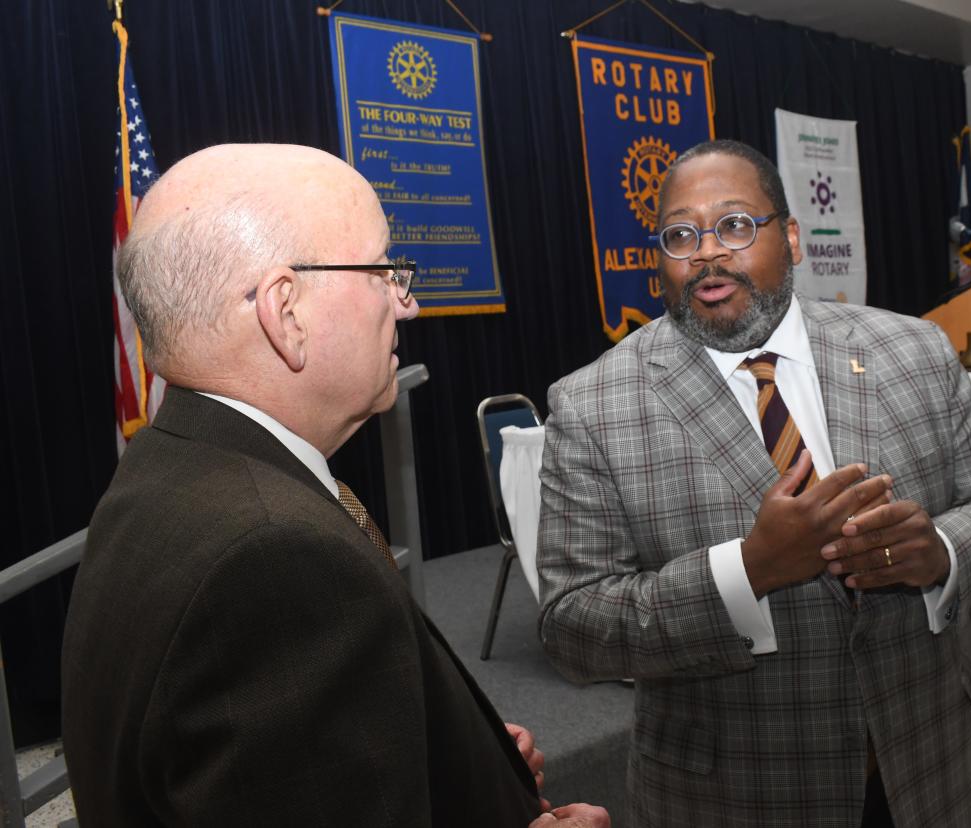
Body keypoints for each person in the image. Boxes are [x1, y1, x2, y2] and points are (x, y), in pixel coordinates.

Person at [61, 143, 607, 828]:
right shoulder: (273, 560)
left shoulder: (168, 469)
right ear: (285, 311)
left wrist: (461, 763)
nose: (407, 304)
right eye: (384, 270)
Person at [537, 139, 971, 827]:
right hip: (737, 797)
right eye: (681, 234)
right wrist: (747, 571)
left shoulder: (913, 350)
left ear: (794, 238)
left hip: (929, 770)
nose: (708, 253)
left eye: (736, 226)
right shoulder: (593, 405)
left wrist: (940, 552)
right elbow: (572, 626)